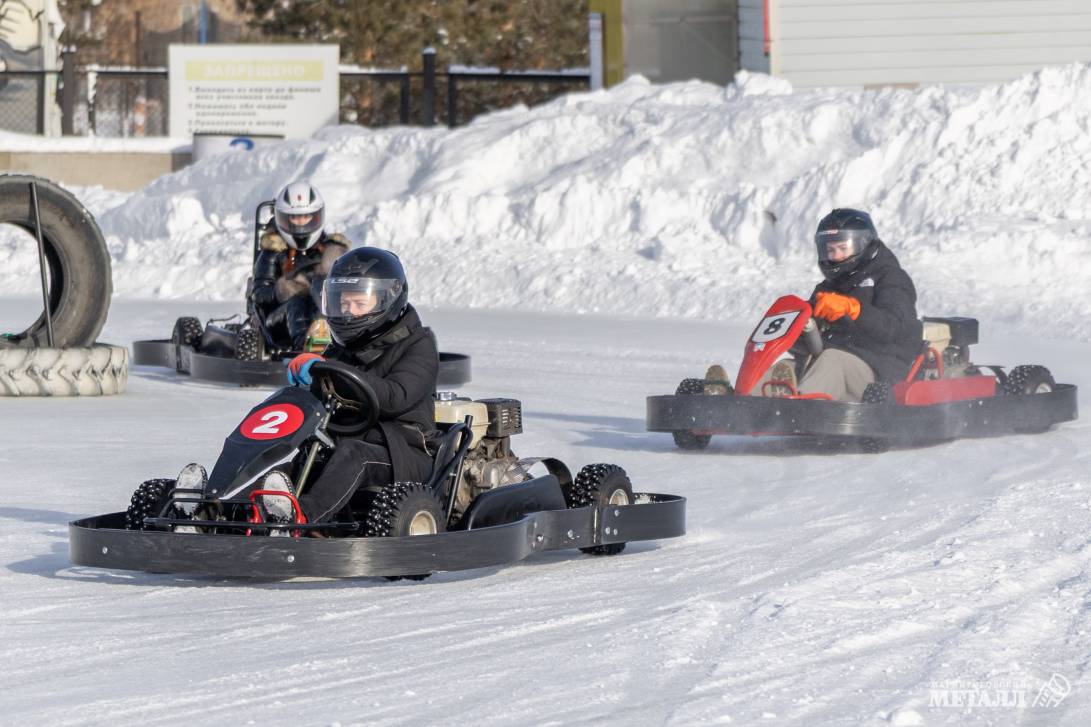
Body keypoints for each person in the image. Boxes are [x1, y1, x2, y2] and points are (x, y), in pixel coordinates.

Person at [264, 247, 439, 525]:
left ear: (388, 299)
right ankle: (222, 511)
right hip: (347, 442)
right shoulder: (343, 350)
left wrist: (331, 369)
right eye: (343, 304)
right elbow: (322, 401)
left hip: (403, 451)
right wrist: (303, 389)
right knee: (294, 465)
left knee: (353, 455)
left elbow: (396, 397)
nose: (349, 312)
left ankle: (301, 520)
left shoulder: (419, 344)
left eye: (359, 304)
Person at [770, 208, 922, 401]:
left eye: (843, 248)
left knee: (831, 360)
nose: (836, 256)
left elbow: (894, 327)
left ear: (863, 245)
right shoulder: (827, 289)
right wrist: (797, 330)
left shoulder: (892, 278)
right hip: (829, 367)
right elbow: (802, 345)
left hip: (880, 371)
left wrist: (854, 309)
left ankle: (795, 409)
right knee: (787, 368)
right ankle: (741, 402)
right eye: (831, 250)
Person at [249, 181, 350, 351]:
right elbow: (259, 295)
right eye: (295, 218)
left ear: (317, 216)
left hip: (321, 312)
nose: (301, 223)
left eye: (306, 217)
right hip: (280, 322)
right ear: (283, 218)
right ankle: (306, 348)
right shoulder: (272, 252)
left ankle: (347, 341)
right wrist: (284, 289)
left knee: (338, 298)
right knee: (297, 303)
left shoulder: (329, 249)